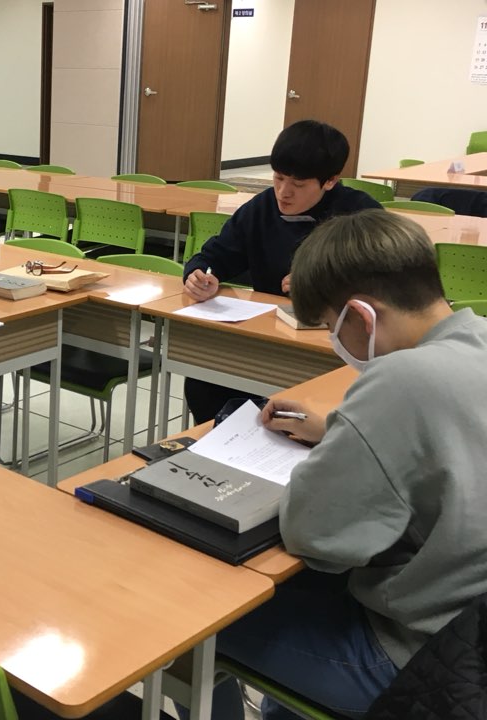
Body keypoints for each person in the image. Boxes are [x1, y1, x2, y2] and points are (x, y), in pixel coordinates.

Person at [193, 209, 487, 718]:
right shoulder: (477, 337)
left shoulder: (400, 378)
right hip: (469, 630)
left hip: (427, 661)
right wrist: (341, 430)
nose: (335, 342)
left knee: (194, 612)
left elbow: (316, 537)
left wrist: (343, 444)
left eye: (332, 327)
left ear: (361, 316)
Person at [180, 120, 382, 424]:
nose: (283, 193)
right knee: (204, 380)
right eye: (278, 178)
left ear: (330, 181)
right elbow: (216, 255)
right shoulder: (261, 208)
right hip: (269, 335)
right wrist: (199, 274)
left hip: (333, 347)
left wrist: (322, 286)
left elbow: (384, 286)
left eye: (298, 185)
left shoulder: (361, 216)